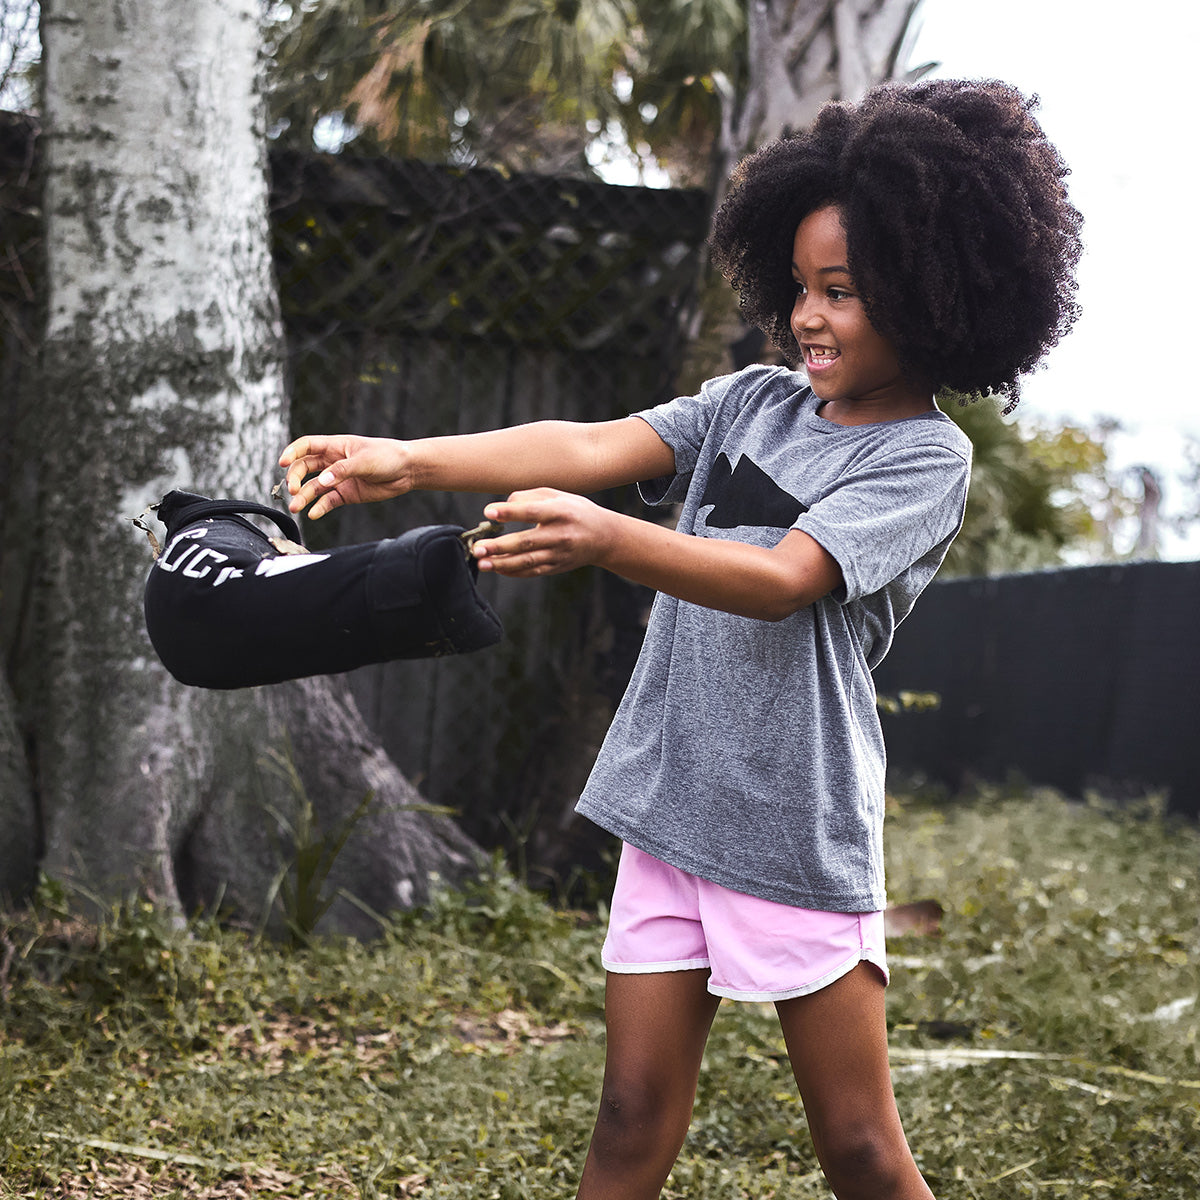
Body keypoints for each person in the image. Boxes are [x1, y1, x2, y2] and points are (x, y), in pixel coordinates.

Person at [279, 78, 1082, 1200]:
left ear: (937, 294)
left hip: (791, 821)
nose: (809, 317)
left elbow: (782, 580)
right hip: (670, 796)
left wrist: (609, 541)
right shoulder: (750, 402)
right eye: (801, 287)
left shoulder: (921, 459)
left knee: (856, 1146)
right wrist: (411, 460)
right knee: (628, 1112)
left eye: (843, 292)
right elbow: (592, 438)